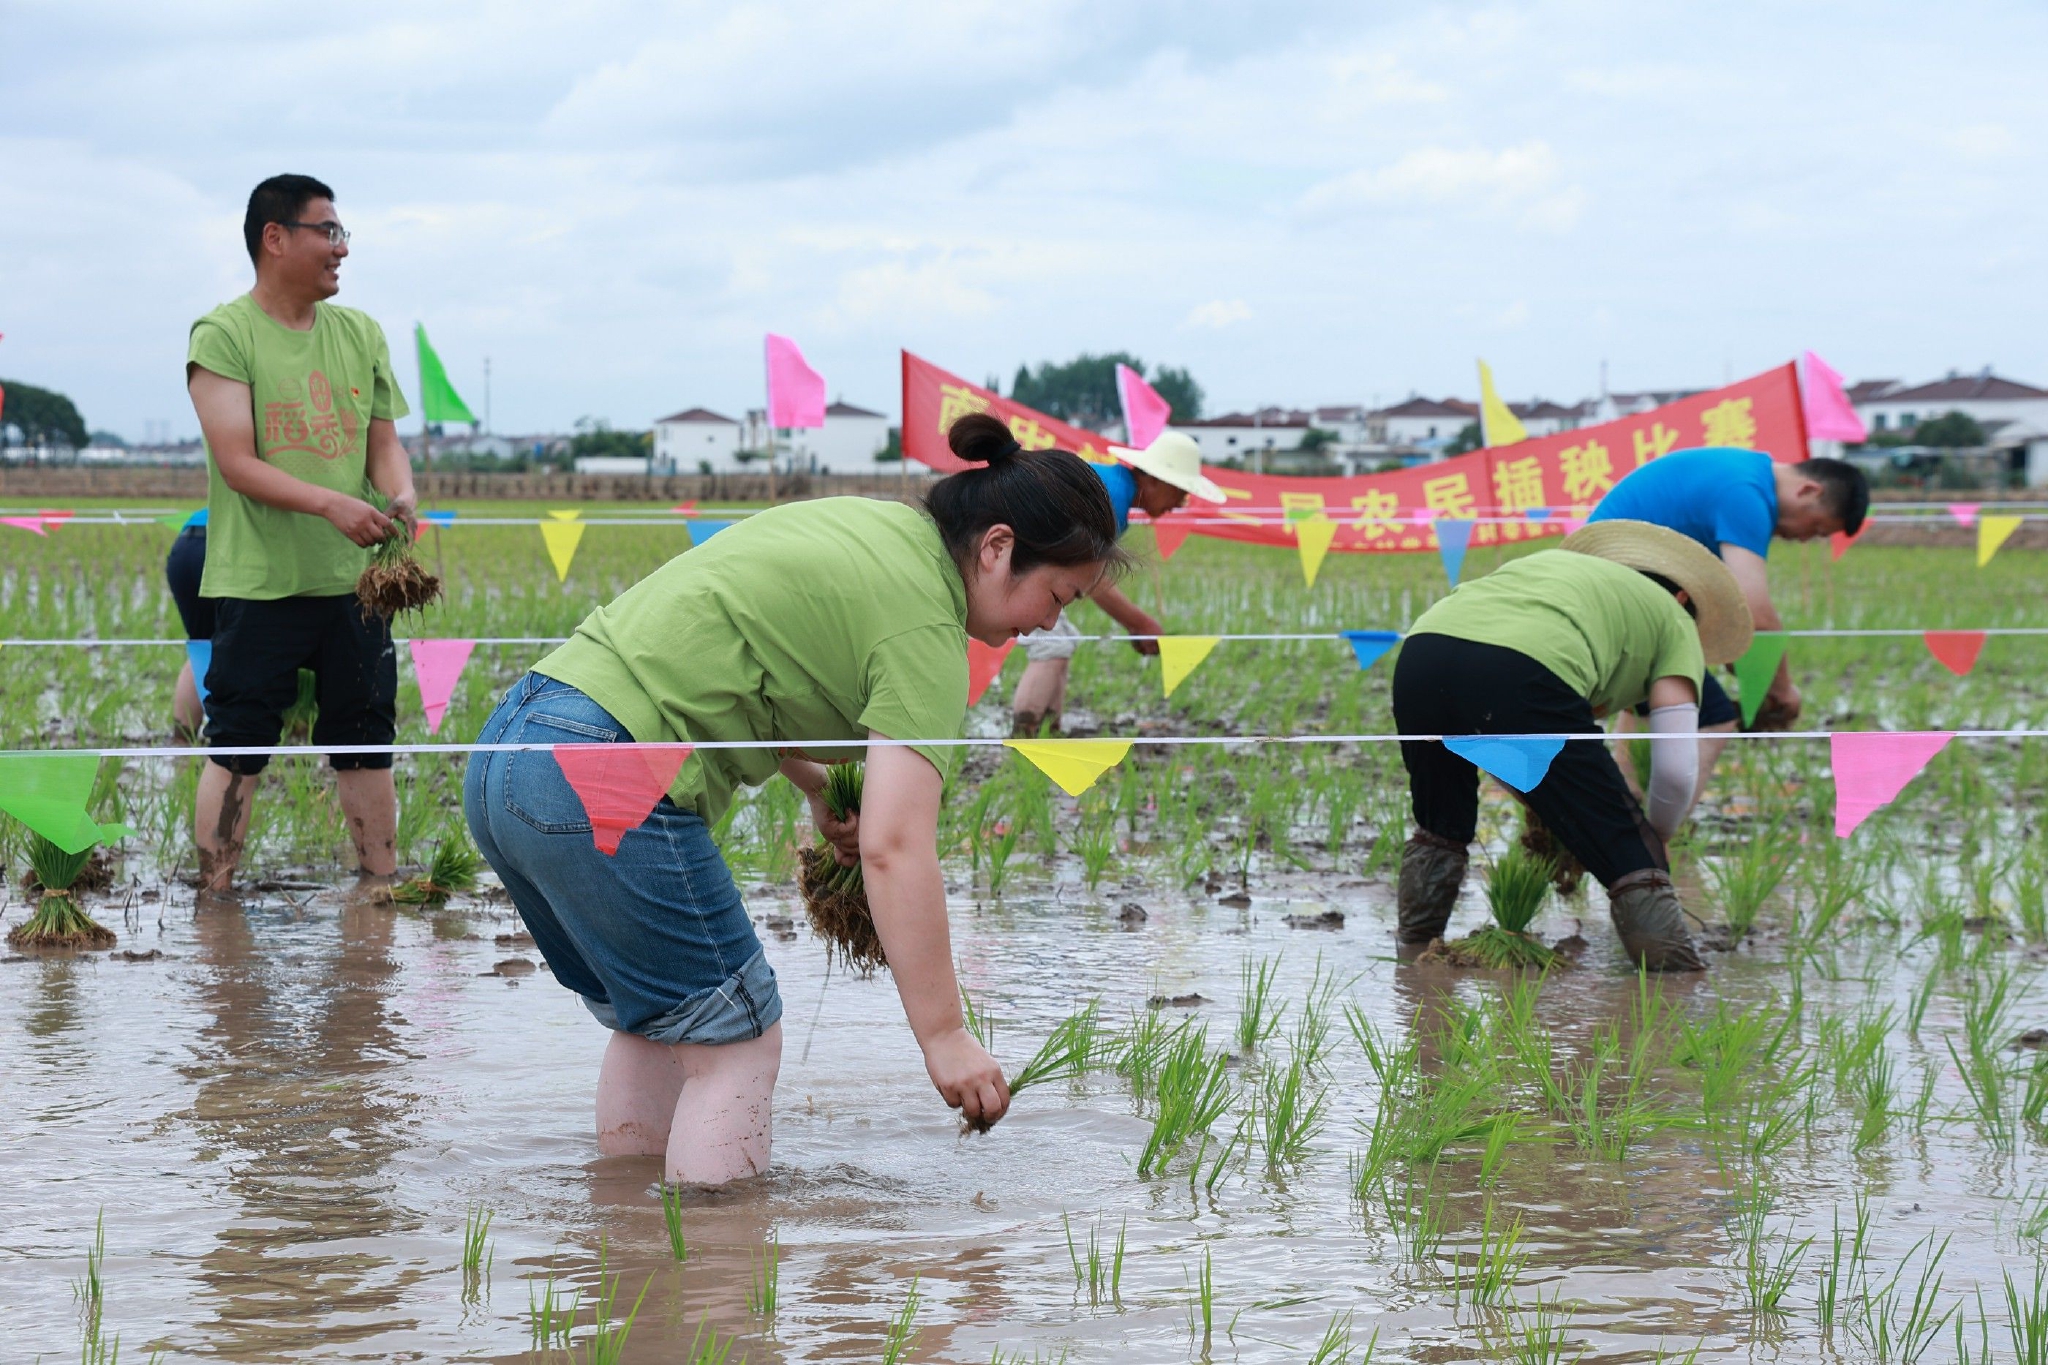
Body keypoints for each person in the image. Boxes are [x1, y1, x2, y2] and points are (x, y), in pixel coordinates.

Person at [462, 413, 1129, 1185]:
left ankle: (637, 1247)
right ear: (998, 547)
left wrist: (813, 783)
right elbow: (895, 846)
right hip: (603, 770)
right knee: (739, 1040)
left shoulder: (875, 529)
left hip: (511, 757)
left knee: (661, 1025)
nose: (1052, 620)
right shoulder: (927, 630)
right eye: (1057, 593)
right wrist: (946, 1034)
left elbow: (740, 643)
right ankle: (713, 1278)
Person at [184, 173, 415, 894]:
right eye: (329, 232)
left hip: (355, 587)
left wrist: (399, 491)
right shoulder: (224, 334)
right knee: (239, 743)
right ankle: (216, 899)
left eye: (344, 234)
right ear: (274, 238)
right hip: (263, 581)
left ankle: (379, 886)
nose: (341, 249)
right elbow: (238, 461)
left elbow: (383, 445)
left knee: (366, 742)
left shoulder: (361, 332)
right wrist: (330, 505)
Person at [1389, 521, 1753, 971]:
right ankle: (1674, 979)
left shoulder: (1557, 573)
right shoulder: (1674, 617)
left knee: (1441, 821)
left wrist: (1556, 809)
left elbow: (1504, 733)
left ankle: (1412, 958)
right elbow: (1676, 769)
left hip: (1421, 653)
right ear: (1684, 597)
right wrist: (1648, 839)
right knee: (1626, 847)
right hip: (1524, 668)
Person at [1588, 447, 1869, 799]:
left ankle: (1626, 805)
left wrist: (1749, 667)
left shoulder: (1744, 472)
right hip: (1619, 599)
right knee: (1711, 717)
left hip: (1616, 597)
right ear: (1808, 490)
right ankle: (1651, 834)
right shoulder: (1746, 494)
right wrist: (1782, 690)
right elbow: (1757, 613)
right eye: (1815, 527)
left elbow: (1730, 612)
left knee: (1654, 705)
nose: (1803, 539)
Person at [1010, 430, 1226, 736]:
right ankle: (1025, 739)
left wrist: (1137, 624)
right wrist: (1140, 623)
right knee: (1052, 645)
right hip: (1019, 558)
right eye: (1179, 493)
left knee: (1062, 640)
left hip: (1033, 559)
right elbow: (1092, 579)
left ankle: (1049, 734)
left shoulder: (1113, 486)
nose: (1178, 504)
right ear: (1153, 480)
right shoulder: (1109, 498)